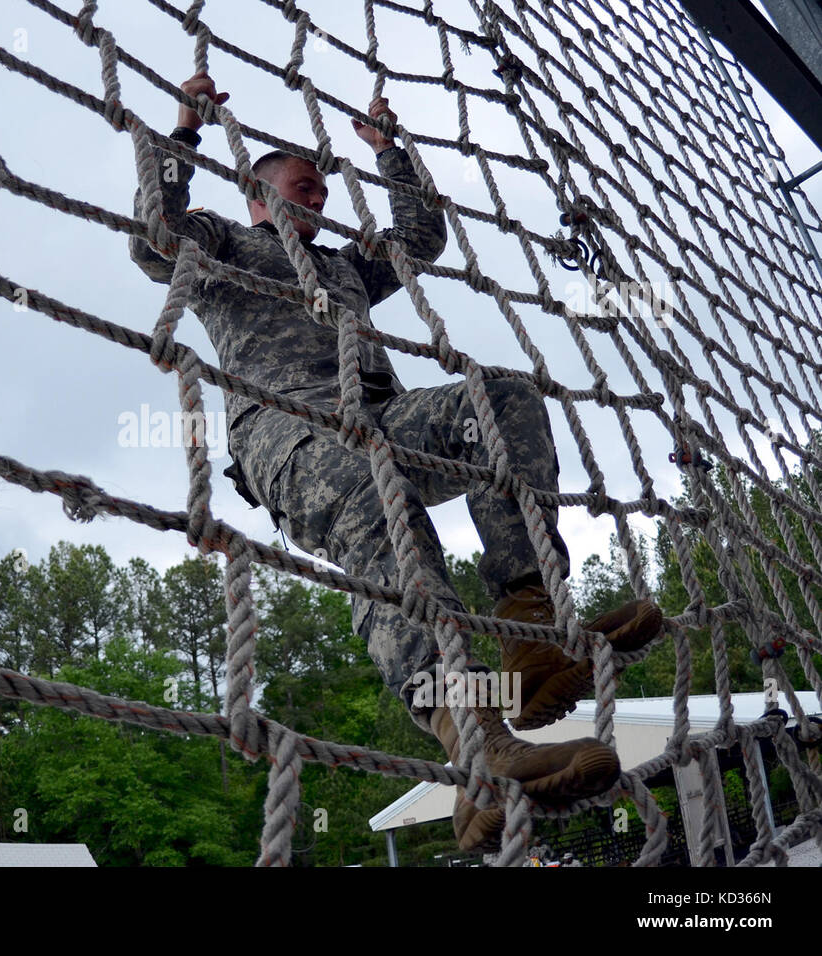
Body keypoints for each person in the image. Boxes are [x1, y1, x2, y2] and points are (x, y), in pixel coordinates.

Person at [129, 71, 664, 850]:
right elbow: (154, 237)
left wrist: (393, 154)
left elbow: (421, 241)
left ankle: (532, 629)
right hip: (293, 436)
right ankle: (478, 743)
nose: (316, 200)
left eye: (320, 191)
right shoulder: (223, 243)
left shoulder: (343, 268)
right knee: (374, 499)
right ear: (258, 193)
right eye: (303, 188)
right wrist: (183, 131)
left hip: (381, 416)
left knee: (500, 399)